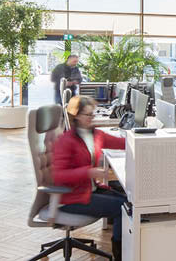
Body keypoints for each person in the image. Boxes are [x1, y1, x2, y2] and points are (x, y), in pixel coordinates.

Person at [53, 96, 127, 260]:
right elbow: (58, 175)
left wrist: (143, 138)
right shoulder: (67, 140)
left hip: (88, 190)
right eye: (87, 115)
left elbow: (120, 143)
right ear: (77, 116)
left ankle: (125, 249)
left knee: (127, 202)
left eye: (92, 114)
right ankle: (120, 255)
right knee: (122, 208)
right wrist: (88, 172)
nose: (91, 118)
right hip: (71, 197)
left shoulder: (94, 134)